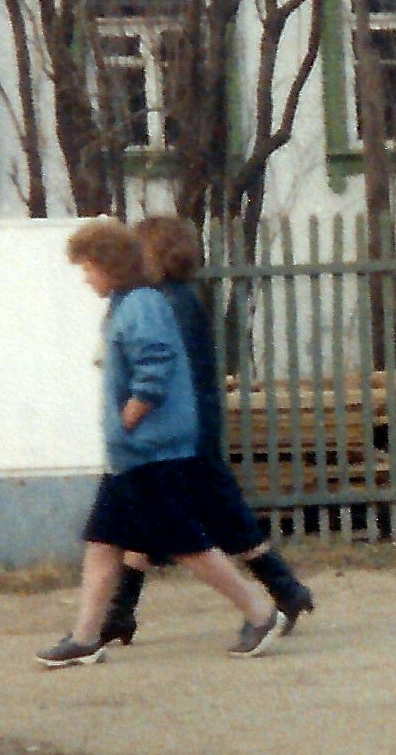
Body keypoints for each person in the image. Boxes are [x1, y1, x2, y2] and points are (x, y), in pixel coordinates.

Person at [35, 220, 285, 667]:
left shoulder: (141, 306)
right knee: (102, 541)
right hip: (133, 454)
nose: (85, 277)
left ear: (110, 266)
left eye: (89, 268)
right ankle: (85, 637)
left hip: (151, 452)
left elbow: (156, 364)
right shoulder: (128, 304)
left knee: (188, 545)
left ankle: (261, 612)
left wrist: (132, 414)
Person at [95, 214, 319, 647]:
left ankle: (281, 595)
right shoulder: (172, 299)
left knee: (204, 521)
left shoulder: (165, 304)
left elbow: (162, 373)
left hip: (181, 435)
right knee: (157, 519)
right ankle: (121, 611)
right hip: (188, 429)